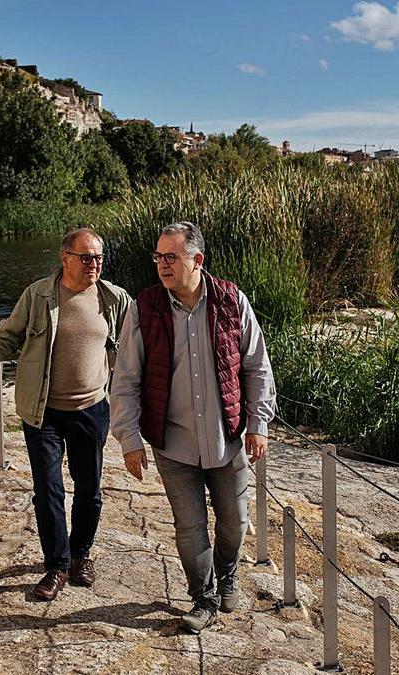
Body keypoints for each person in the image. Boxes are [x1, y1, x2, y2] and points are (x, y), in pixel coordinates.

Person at [0, 228, 131, 601]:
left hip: (91, 408)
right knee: (48, 490)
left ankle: (81, 555)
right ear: (65, 258)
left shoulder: (115, 299)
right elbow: (7, 338)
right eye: (86, 257)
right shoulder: (38, 295)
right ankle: (57, 566)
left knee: (90, 492)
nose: (94, 264)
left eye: (98, 257)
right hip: (42, 411)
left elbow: (139, 346)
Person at [109, 221, 277, 633]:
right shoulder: (144, 307)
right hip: (173, 443)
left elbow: (257, 367)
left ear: (197, 260)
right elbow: (126, 379)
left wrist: (259, 423)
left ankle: (229, 575)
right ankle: (202, 598)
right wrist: (130, 440)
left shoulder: (231, 300)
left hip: (228, 439)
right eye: (158, 257)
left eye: (171, 257)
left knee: (235, 520)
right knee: (189, 526)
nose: (162, 265)